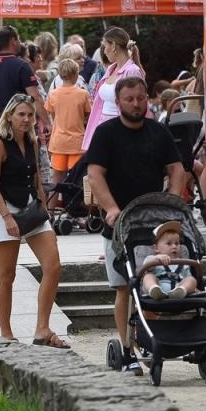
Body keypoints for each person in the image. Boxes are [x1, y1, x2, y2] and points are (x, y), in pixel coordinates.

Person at [82, 76, 184, 374]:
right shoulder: (106, 133)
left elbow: (176, 168)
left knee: (156, 284)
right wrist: (111, 208)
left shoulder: (159, 132)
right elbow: (95, 174)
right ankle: (126, 348)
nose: (137, 104)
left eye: (141, 98)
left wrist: (174, 199)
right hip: (119, 224)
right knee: (125, 287)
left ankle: (151, 339)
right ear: (119, 101)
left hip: (153, 223)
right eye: (130, 99)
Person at [0, 93, 67, 346]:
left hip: (31, 207)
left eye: (30, 115)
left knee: (53, 266)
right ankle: (6, 333)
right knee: (7, 274)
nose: (26, 119)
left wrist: (44, 206)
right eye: (21, 114)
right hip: (5, 207)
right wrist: (7, 217)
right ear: (10, 116)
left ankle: (42, 328)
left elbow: (36, 178)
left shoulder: (32, 141)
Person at [0, 27, 50, 141]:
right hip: (20, 125)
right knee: (25, 158)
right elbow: (35, 97)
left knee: (1, 158)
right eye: (18, 39)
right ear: (13, 40)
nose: (20, 42)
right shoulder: (22, 66)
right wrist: (47, 123)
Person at [82, 27, 143, 150]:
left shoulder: (132, 71)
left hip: (120, 132)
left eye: (105, 46)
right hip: (102, 129)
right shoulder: (111, 69)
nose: (104, 52)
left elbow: (136, 108)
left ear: (114, 46)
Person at [45, 56, 89, 177]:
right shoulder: (83, 94)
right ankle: (72, 197)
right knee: (76, 177)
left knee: (57, 177)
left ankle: (54, 197)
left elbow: (52, 115)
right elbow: (87, 115)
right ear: (75, 74)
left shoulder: (53, 94)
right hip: (77, 142)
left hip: (58, 141)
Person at [138, 220, 199, 299]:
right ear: (156, 248)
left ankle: (181, 291)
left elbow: (187, 278)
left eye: (177, 243)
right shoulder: (152, 259)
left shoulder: (184, 262)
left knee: (191, 280)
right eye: (169, 243)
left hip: (177, 288)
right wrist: (157, 258)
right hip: (159, 284)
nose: (174, 246)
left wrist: (193, 287)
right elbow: (146, 267)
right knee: (148, 277)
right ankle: (154, 289)